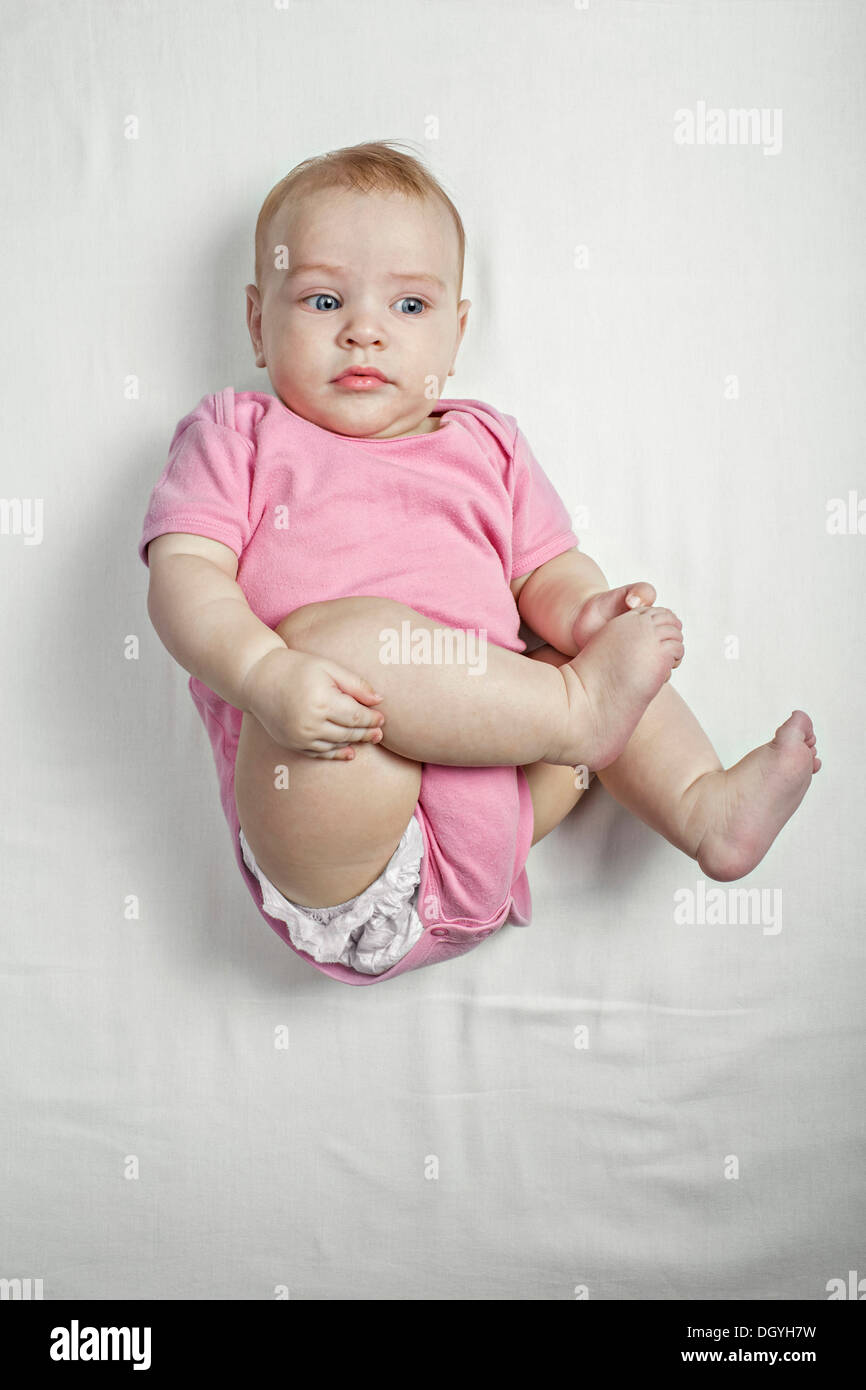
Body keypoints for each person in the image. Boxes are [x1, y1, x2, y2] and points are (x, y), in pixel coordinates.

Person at [139, 140, 820, 985]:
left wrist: (584, 615)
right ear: (256, 323)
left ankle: (702, 807)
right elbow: (183, 579)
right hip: (336, 832)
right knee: (331, 649)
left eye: (411, 306)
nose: (365, 330)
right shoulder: (238, 435)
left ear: (457, 335)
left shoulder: (486, 443)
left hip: (497, 808)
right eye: (322, 299)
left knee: (602, 648)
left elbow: (549, 569)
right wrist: (264, 676)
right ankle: (576, 714)